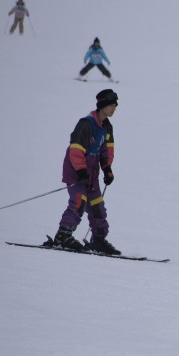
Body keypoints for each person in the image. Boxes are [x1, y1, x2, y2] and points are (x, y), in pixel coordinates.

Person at [49, 89, 120, 255]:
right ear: (102, 106)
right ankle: (63, 236)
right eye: (111, 105)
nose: (114, 109)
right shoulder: (86, 124)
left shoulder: (107, 127)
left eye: (115, 106)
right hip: (77, 171)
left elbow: (106, 151)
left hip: (92, 173)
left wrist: (107, 169)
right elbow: (76, 150)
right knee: (79, 202)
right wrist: (81, 171)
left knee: (97, 206)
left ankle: (98, 240)